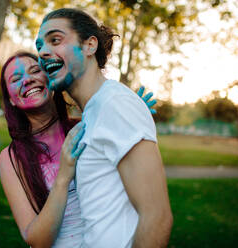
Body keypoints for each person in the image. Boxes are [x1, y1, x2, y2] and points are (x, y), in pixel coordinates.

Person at [36, 8, 173, 248]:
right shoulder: (97, 109)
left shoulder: (115, 104)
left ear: (90, 46)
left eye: (55, 40)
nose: (43, 52)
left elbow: (157, 218)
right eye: (39, 47)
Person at [0, 51, 156, 247]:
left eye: (35, 70)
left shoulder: (87, 127)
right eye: (16, 79)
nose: (28, 80)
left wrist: (130, 120)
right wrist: (63, 176)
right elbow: (37, 240)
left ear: (50, 79)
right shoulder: (12, 158)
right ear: (10, 99)